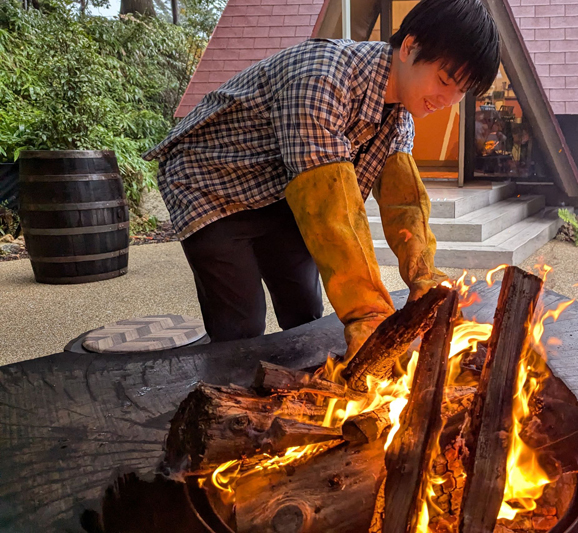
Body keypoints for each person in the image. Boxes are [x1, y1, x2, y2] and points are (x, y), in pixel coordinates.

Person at [143, 0, 500, 359]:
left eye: (461, 91)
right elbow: (333, 214)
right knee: (241, 327)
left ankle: (299, 397)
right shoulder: (322, 78)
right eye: (444, 80)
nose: (449, 101)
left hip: (280, 189)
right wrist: (371, 316)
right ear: (409, 46)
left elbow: (403, 203)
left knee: (305, 312)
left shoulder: (400, 115)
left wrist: (425, 277)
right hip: (210, 186)